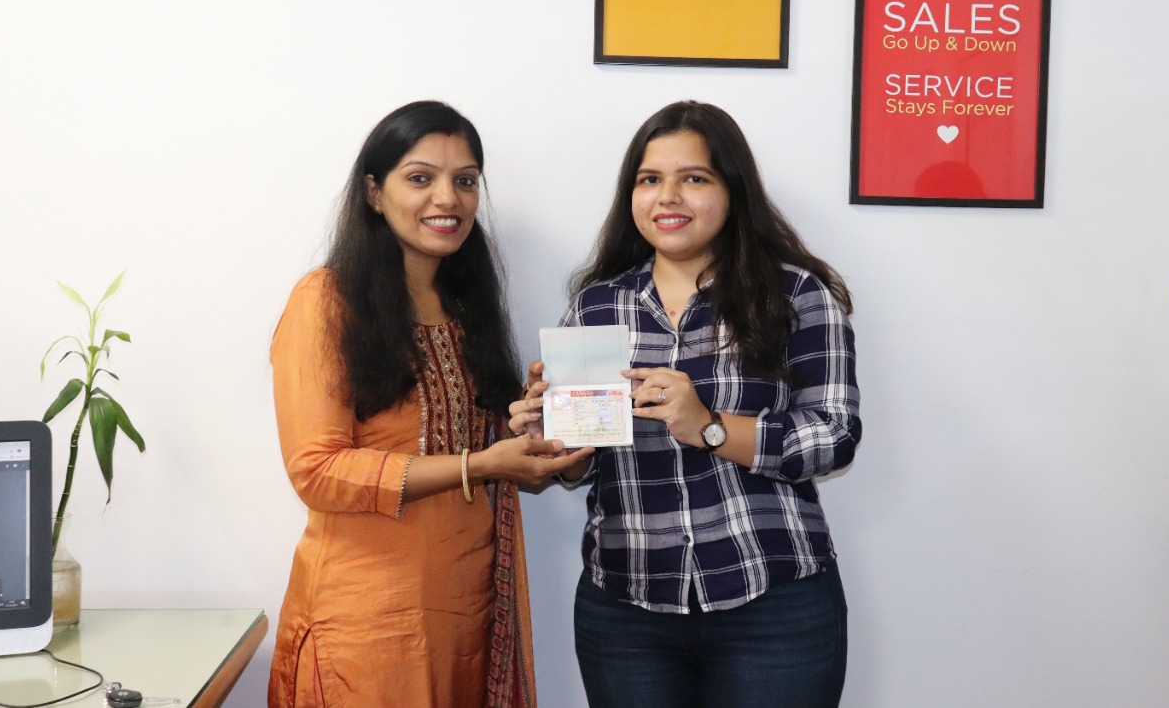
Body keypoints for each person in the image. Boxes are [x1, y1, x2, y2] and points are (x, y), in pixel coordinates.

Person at [510, 101, 861, 708]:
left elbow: (834, 437)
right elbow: (579, 465)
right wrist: (550, 439)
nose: (667, 197)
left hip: (773, 600)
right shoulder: (597, 306)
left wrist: (709, 427)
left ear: (733, 191)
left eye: (694, 178)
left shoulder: (795, 294)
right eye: (649, 179)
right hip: (626, 608)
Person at [268, 101, 592, 708]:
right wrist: (481, 465)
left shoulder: (466, 307)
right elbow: (317, 470)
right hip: (368, 623)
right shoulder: (326, 302)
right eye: (421, 178)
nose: (448, 198)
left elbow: (477, 449)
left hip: (468, 615)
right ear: (374, 192)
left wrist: (528, 432)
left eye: (465, 181)